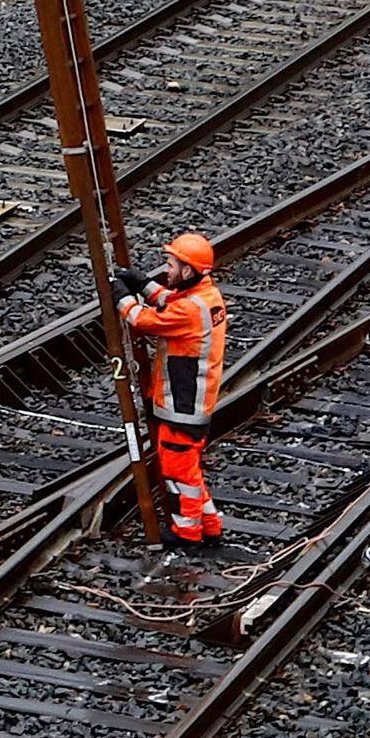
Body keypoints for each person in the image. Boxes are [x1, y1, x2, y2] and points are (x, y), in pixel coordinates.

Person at [122, 231, 229, 543]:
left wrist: (121, 296)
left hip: (183, 404)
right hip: (193, 401)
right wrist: (142, 284)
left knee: (179, 471)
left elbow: (144, 320)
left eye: (170, 264)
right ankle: (209, 526)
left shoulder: (190, 309)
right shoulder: (204, 297)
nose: (166, 270)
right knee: (189, 470)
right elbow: (170, 300)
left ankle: (188, 531)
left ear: (188, 271)